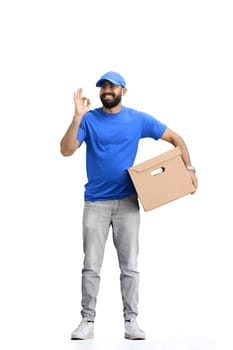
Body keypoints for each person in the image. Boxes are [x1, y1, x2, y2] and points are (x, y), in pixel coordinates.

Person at [60, 71, 198, 340]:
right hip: (95, 203)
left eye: (112, 86)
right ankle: (87, 320)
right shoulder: (88, 119)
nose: (107, 90)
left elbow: (176, 139)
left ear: (124, 91)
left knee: (130, 266)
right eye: (103, 87)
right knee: (91, 265)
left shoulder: (137, 119)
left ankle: (131, 321)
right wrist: (77, 117)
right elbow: (66, 150)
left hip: (128, 202)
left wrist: (189, 168)